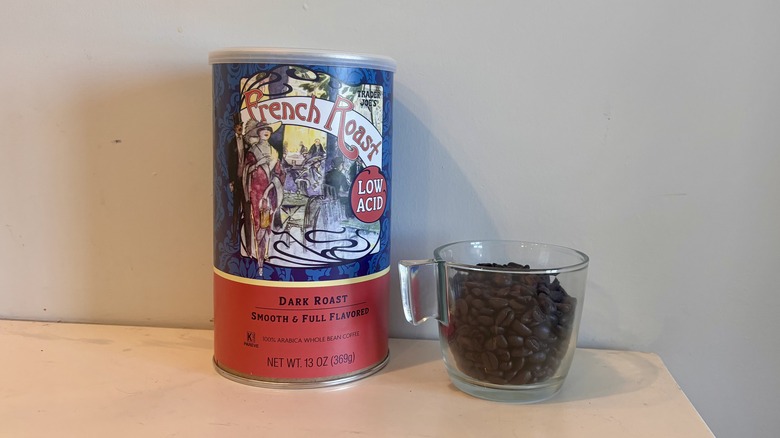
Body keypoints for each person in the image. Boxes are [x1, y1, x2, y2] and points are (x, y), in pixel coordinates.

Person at [242, 119, 286, 269]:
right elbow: (246, 171)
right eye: (262, 129)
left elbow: (280, 173)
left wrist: (273, 184)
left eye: (268, 129)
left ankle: (265, 253)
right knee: (257, 221)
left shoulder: (274, 152)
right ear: (258, 132)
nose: (266, 131)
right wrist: (258, 164)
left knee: (267, 222)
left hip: (270, 191)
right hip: (256, 190)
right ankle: (258, 255)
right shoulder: (252, 151)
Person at [226, 113, 246, 243]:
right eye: (238, 127)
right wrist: (231, 181)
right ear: (235, 128)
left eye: (241, 126)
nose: (240, 128)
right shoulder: (231, 144)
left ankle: (245, 238)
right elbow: (229, 163)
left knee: (246, 208)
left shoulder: (246, 142)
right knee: (235, 210)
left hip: (246, 180)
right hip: (237, 180)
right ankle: (234, 236)